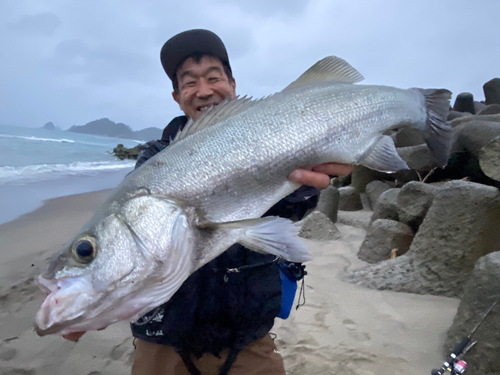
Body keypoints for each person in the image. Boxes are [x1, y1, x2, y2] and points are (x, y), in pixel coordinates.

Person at [64, 29, 352, 375]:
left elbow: (289, 209)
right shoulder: (155, 159)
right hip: (163, 346)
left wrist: (308, 183)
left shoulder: (273, 139)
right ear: (176, 96)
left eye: (214, 77)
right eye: (189, 82)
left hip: (247, 340)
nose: (204, 90)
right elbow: (132, 245)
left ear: (232, 82)